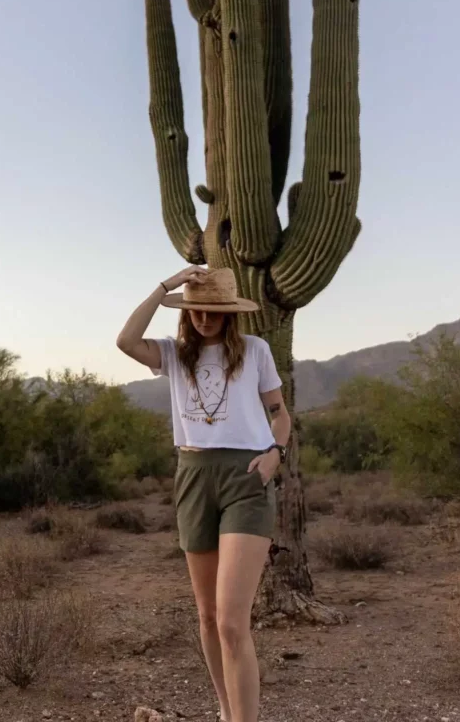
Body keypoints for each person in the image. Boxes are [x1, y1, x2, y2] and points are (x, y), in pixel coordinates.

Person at [117, 265, 291, 722]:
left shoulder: (255, 351)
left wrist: (277, 452)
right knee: (208, 617)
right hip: (193, 475)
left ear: (229, 313)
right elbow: (125, 340)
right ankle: (225, 708)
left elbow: (280, 413)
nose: (203, 318)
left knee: (233, 621)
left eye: (213, 310)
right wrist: (165, 287)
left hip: (246, 476)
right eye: (194, 309)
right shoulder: (174, 355)